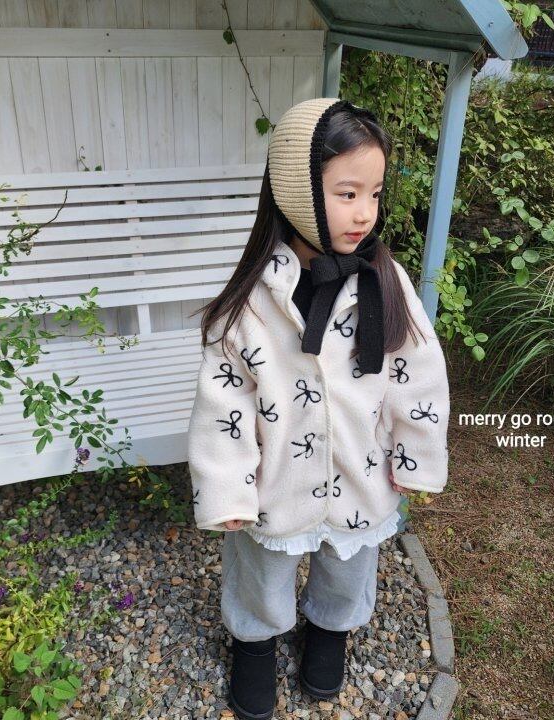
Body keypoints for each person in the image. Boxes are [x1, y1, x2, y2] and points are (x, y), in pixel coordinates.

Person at [187, 97, 450, 720]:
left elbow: (418, 375)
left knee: (351, 561)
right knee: (261, 564)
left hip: (361, 468)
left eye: (374, 194)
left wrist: (414, 455)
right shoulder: (255, 300)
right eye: (346, 193)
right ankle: (255, 639)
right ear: (297, 191)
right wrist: (226, 487)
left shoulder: (385, 283)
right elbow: (223, 399)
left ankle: (330, 629)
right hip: (276, 477)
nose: (364, 213)